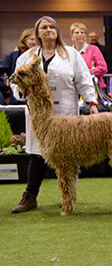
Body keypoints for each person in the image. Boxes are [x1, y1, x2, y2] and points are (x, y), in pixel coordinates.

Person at [10, 16, 99, 213]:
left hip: (65, 114)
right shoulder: (26, 57)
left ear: (57, 31)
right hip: (39, 116)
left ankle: (67, 197)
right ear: (37, 33)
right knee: (36, 155)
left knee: (67, 157)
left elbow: (84, 80)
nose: (49, 30)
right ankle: (30, 197)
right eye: (44, 27)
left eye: (52, 26)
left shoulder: (71, 55)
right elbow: (15, 82)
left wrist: (91, 103)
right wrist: (23, 91)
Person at [71, 22, 108, 89]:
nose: (80, 35)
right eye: (77, 33)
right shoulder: (69, 51)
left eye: (82, 32)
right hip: (74, 88)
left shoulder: (94, 49)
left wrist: (85, 73)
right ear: (72, 37)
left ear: (85, 36)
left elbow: (103, 68)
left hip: (93, 87)